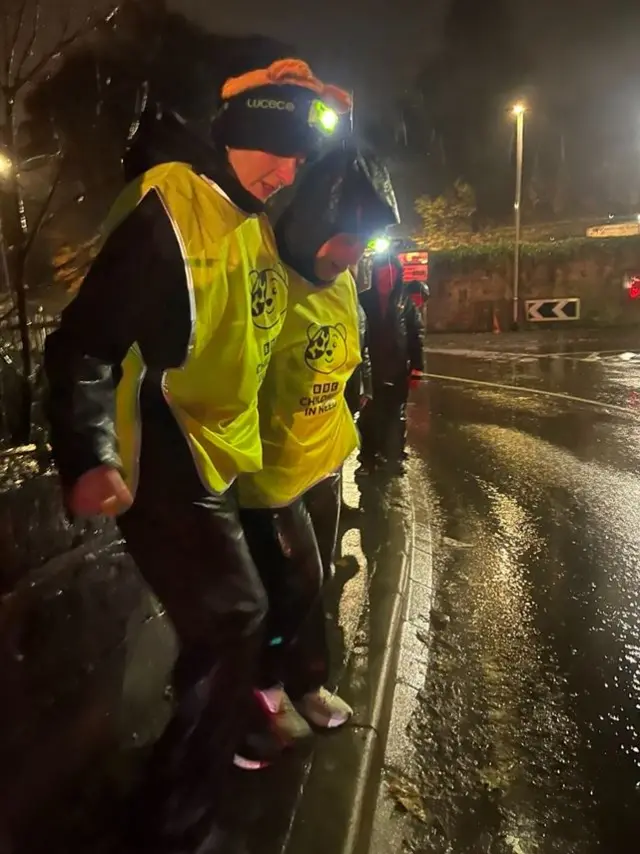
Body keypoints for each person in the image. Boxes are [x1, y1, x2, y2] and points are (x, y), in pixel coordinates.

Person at [44, 58, 350, 850]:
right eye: (275, 149)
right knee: (236, 615)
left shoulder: (251, 215)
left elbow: (336, 217)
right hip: (157, 447)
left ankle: (209, 743)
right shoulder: (170, 207)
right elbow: (82, 346)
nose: (288, 172)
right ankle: (174, 821)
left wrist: (338, 130)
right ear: (237, 136)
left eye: (298, 156)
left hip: (218, 454)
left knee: (230, 623)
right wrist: (89, 454)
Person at [238, 145, 399, 747]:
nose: (351, 255)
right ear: (311, 225)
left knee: (318, 579)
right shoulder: (265, 280)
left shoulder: (344, 281)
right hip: (270, 474)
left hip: (324, 461)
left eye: (361, 243)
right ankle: (262, 683)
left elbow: (349, 353)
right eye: (345, 239)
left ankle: (306, 683)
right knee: (293, 583)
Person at [358, 251, 424, 476]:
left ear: (397, 275)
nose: (386, 277)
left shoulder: (405, 303)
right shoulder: (363, 300)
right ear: (374, 275)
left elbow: (415, 335)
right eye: (381, 273)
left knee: (396, 416)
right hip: (370, 370)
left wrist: (417, 367)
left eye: (391, 273)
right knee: (368, 417)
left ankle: (393, 457)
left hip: (397, 370)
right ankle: (367, 458)